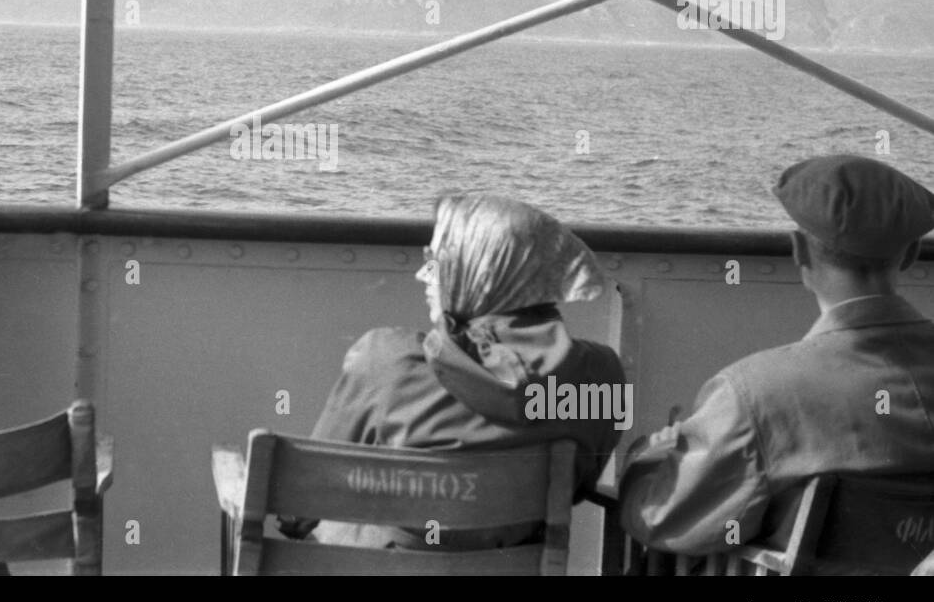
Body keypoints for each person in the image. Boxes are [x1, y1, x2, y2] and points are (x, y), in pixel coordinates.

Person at [617, 155, 934, 558]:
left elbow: (661, 519)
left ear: (798, 250)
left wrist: (650, 454)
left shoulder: (756, 396)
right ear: (908, 257)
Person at [282, 191, 628, 550]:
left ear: (479, 272)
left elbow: (304, 495)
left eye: (438, 263)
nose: (422, 275)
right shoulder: (603, 376)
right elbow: (577, 486)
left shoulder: (386, 360)